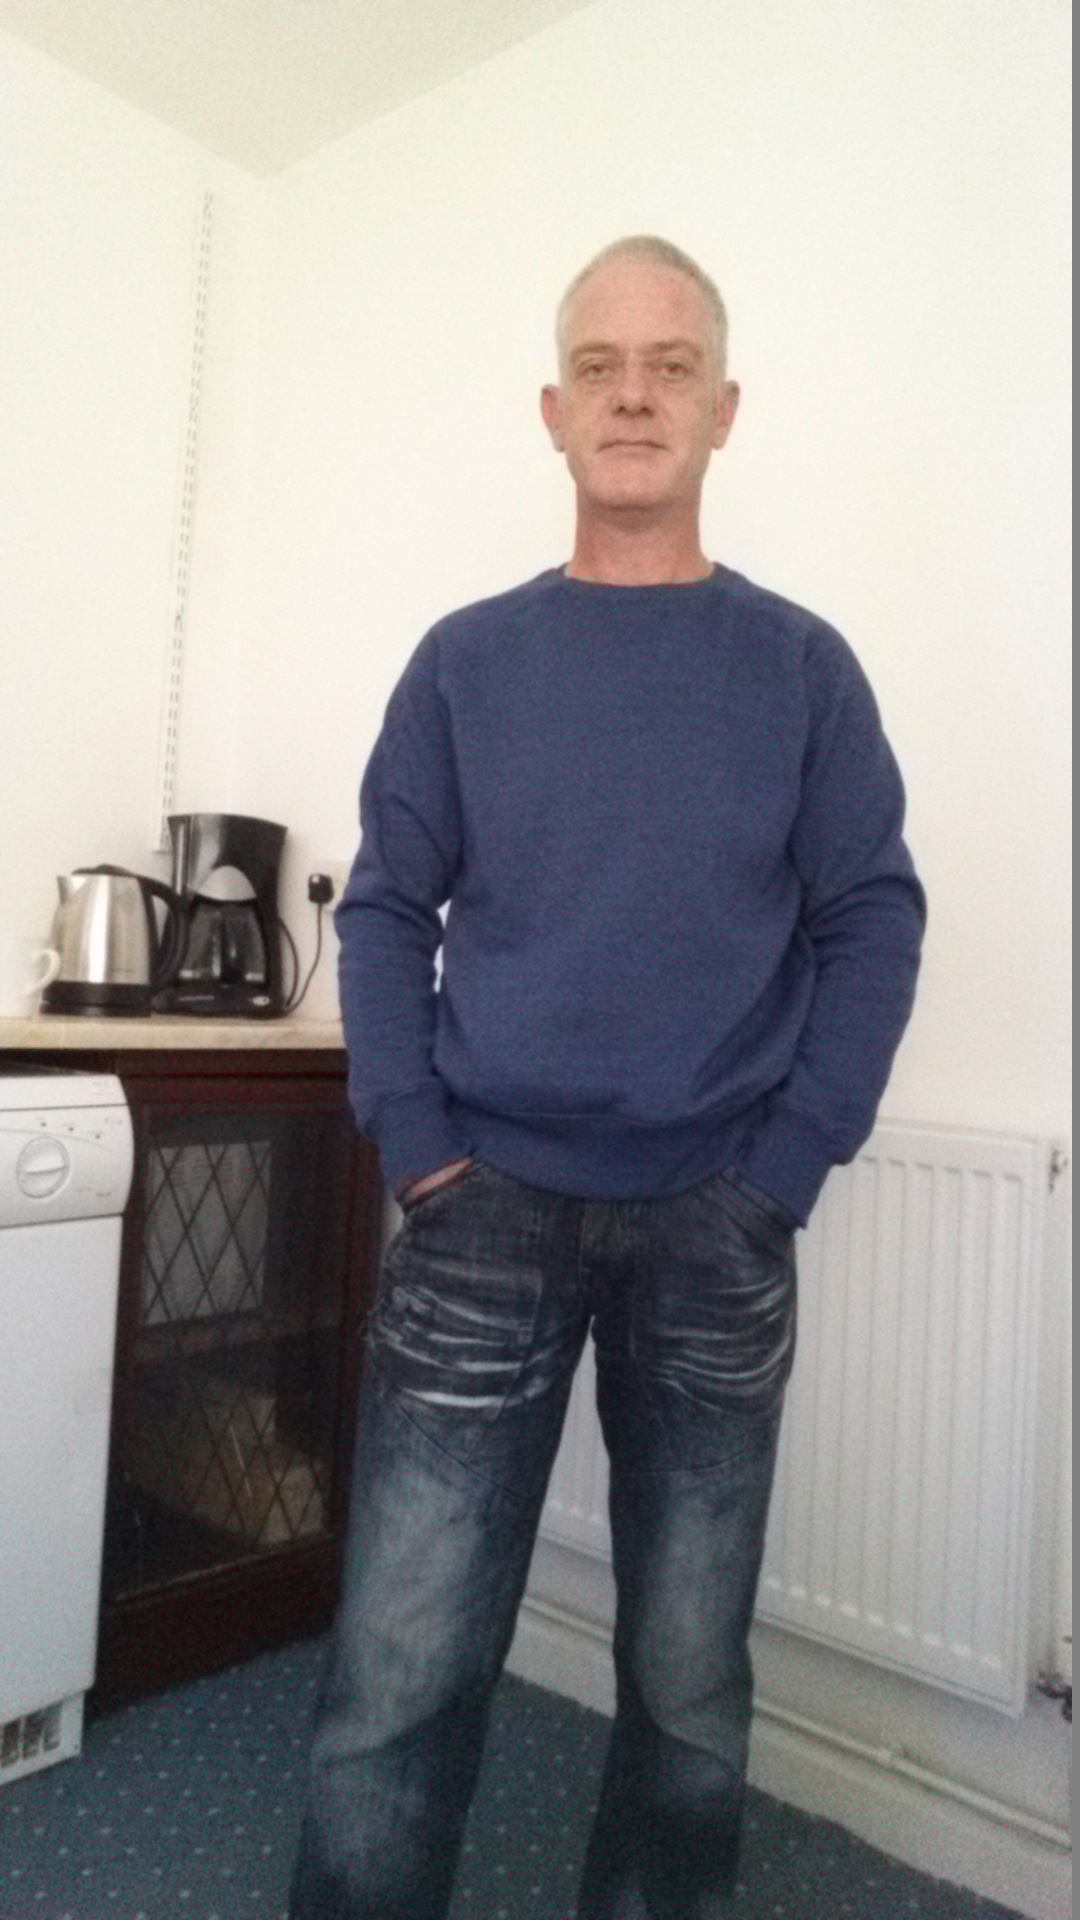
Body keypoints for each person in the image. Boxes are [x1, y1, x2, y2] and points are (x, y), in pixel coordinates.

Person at [289, 234, 926, 1920]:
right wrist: (416, 1141)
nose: (633, 394)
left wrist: (787, 1165)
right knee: (400, 1672)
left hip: (718, 1221)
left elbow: (872, 914)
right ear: (553, 411)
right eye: (599, 365)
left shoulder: (803, 670)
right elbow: (387, 910)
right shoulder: (463, 661)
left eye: (670, 365)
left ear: (725, 407)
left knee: (688, 1688)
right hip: (480, 1212)